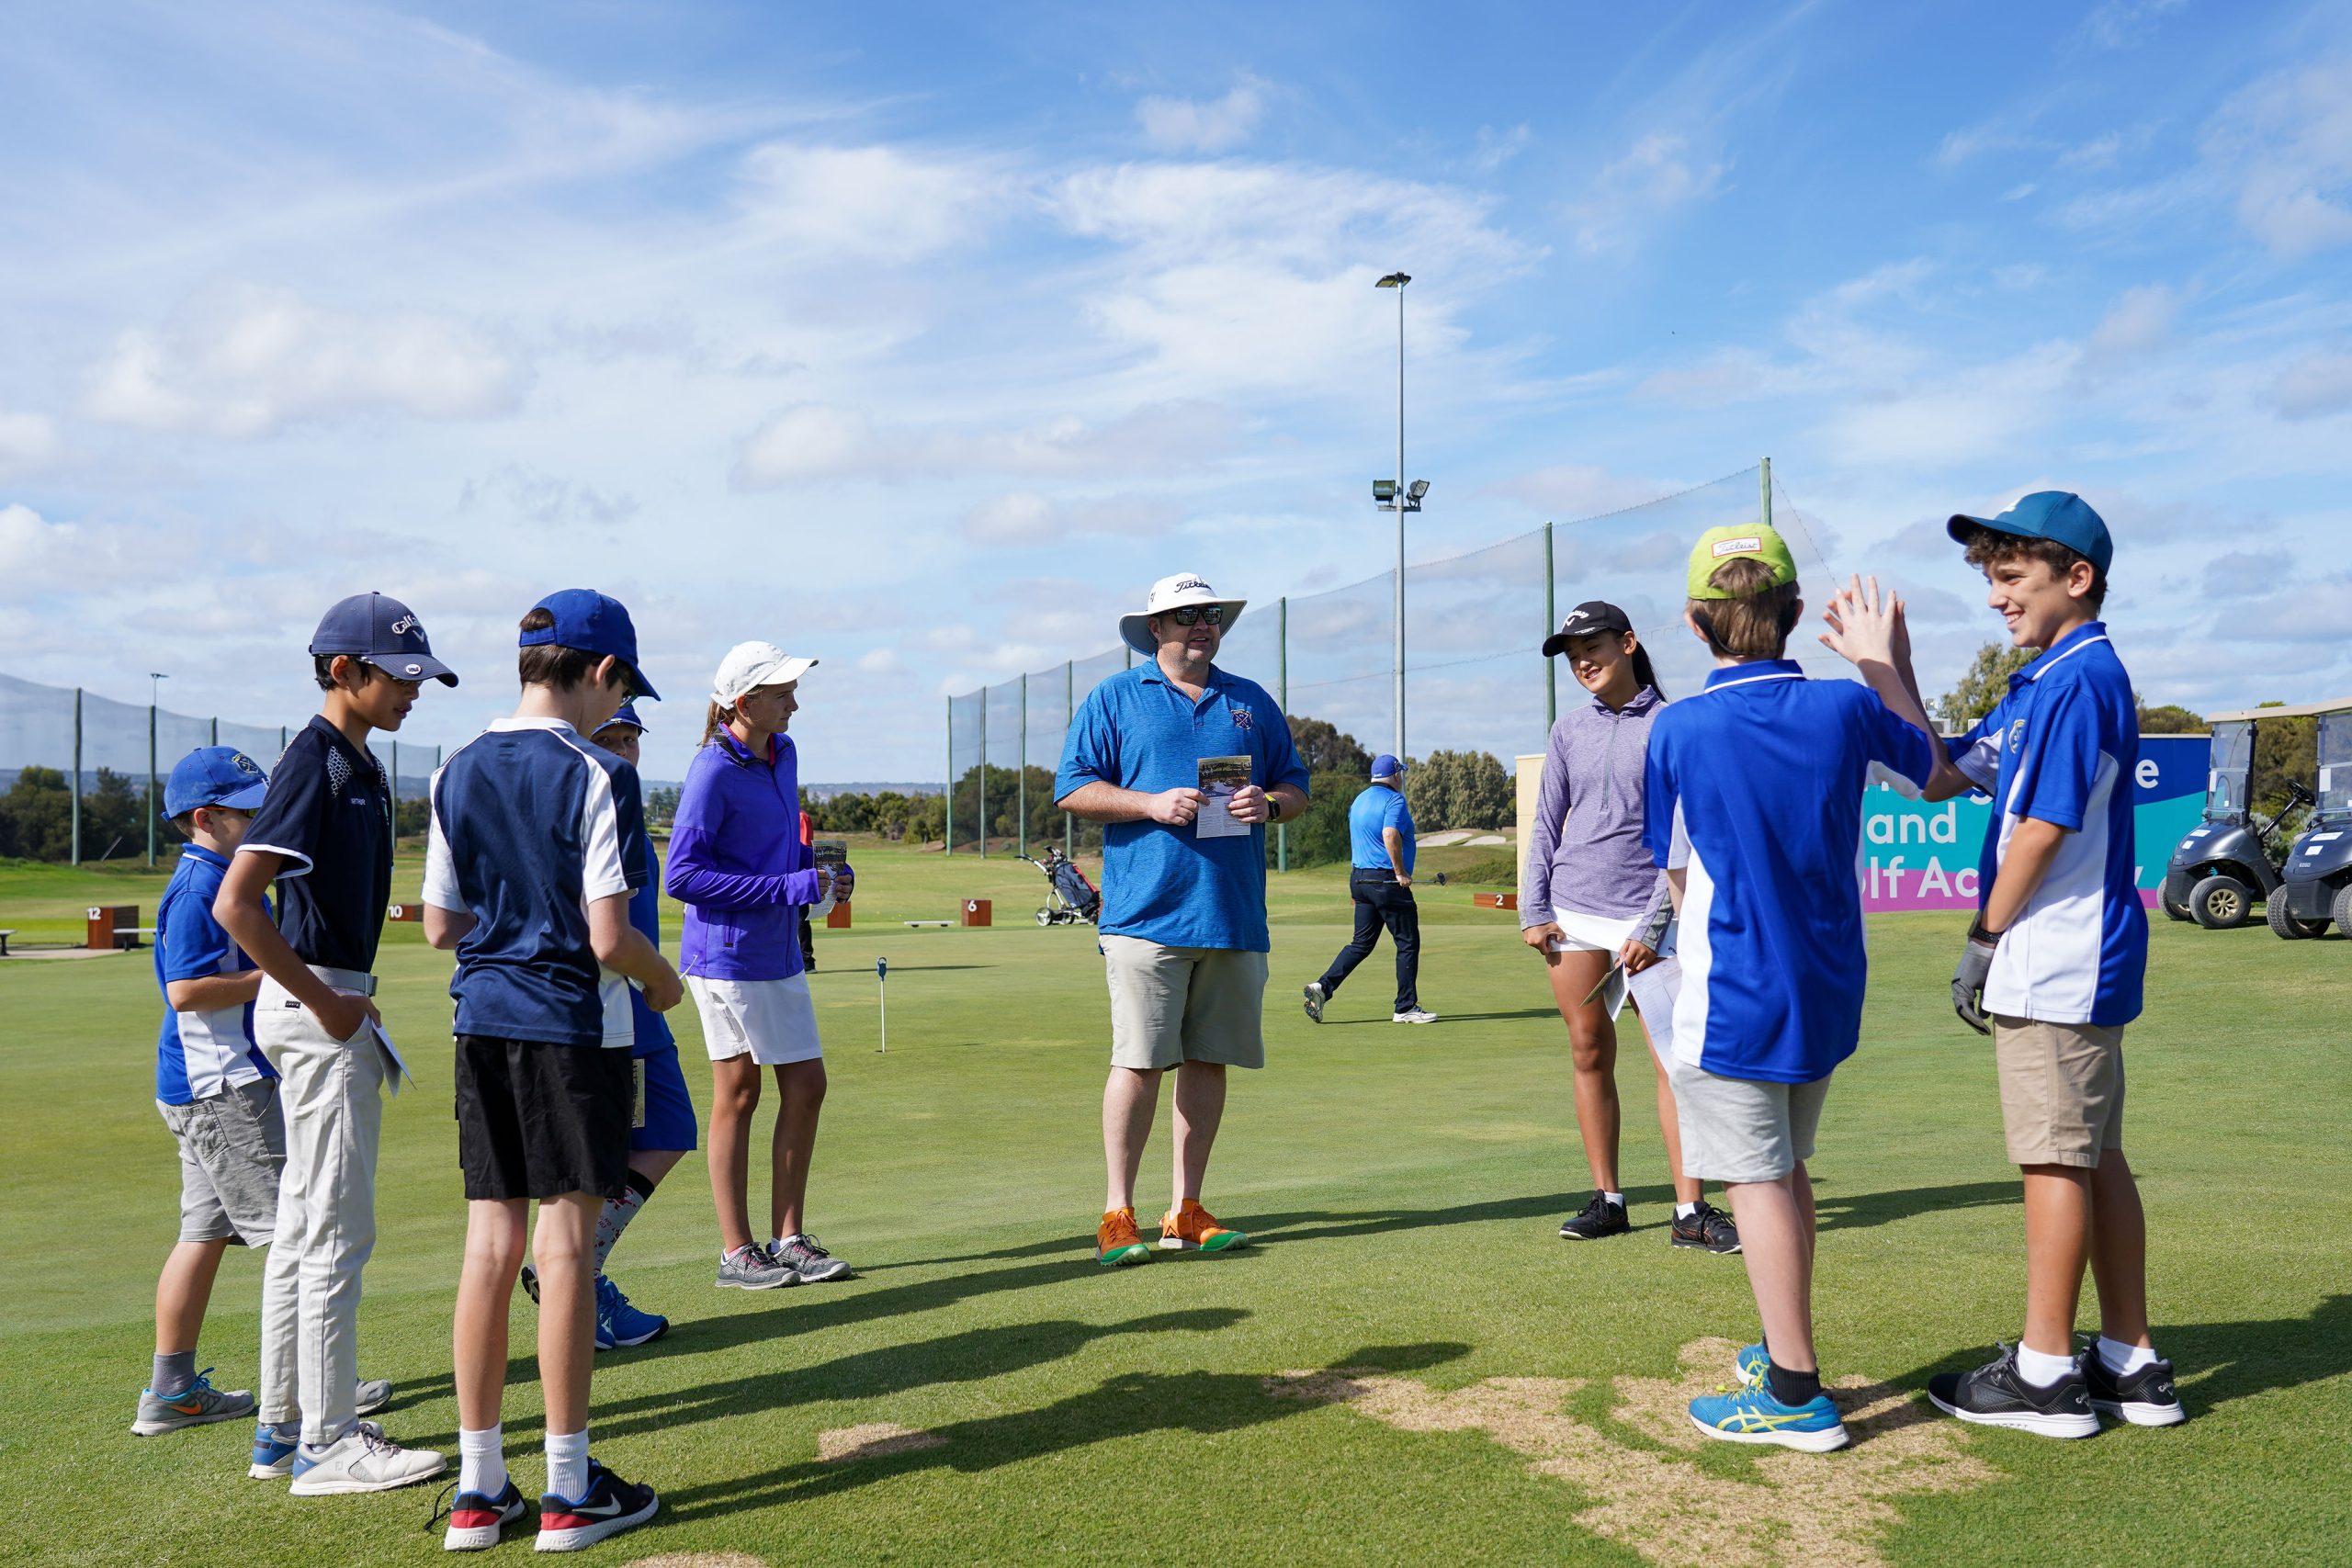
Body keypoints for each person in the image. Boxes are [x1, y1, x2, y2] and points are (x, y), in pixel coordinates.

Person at [1839, 493, 2177, 1435]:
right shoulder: (2048, 680)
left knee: (2052, 1161)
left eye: (2011, 577)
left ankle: (2042, 1375)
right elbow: (1940, 768)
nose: (1996, 597)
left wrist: (1984, 935)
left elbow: (2039, 827)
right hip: (2072, 957)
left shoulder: (2076, 679)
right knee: (2093, 1153)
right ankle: (2129, 1360)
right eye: (1990, 579)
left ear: (2077, 578)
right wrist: (1886, 664)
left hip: (2053, 957)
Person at [1646, 527, 1936, 1452]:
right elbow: (1933, 771)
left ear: (1695, 625)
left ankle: (1796, 1391)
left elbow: (1677, 866)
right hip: (1823, 986)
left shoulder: (1678, 727)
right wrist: (1885, 664)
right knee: (1785, 1170)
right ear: (1797, 616)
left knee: (1755, 1180)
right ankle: (1782, 1354)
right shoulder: (1847, 710)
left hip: (1733, 988)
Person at [422, 590, 682, 1551]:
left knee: (490, 1248)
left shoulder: (454, 767)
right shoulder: (597, 773)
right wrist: (666, 985)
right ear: (601, 672)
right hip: (575, 1031)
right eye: (620, 685)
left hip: (480, 1025)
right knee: (564, 1248)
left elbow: (443, 926)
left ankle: (480, 1490)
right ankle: (570, 1488)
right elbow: (611, 935)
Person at [214, 593, 451, 1495]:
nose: (413, 693)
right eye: (399, 677)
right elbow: (239, 903)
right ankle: (328, 1442)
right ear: (344, 672)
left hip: (331, 999)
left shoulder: (354, 762)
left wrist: (349, 996)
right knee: (338, 1231)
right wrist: (328, 1001)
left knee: (308, 1228)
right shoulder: (316, 761)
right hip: (316, 1010)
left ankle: (282, 1431)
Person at [131, 748, 391, 1443]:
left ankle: (171, 1388)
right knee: (297, 1233)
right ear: (204, 817)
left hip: (205, 1084)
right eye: (249, 810)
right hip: (225, 1086)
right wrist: (282, 975)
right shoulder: (199, 886)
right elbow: (184, 990)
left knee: (205, 1232)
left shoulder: (217, 872)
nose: (261, 818)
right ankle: (316, 1387)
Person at [1057, 572, 1310, 1267]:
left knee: (1208, 1060)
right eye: (1186, 615)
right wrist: (1147, 804)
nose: (1202, 624)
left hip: (1231, 913)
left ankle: (1186, 1208)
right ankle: (1117, 1213)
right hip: (1144, 914)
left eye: (1210, 614)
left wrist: (1274, 804)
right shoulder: (1113, 696)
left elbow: (1296, 785)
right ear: (1156, 629)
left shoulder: (1250, 700)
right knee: (1138, 1061)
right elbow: (1073, 788)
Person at [1521, 602, 1737, 1255]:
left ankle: (1690, 1208)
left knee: (1675, 1063)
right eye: (1572, 650)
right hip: (1575, 909)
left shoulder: (1674, 723)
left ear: (1629, 643)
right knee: (1588, 1052)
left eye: (1595, 645)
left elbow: (1686, 834)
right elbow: (1546, 821)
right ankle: (1609, 1199)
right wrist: (1534, 907)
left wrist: (1655, 920)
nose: (1583, 659)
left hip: (1650, 917)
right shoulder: (1567, 730)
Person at [667, 641, 855, 1292]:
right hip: (726, 956)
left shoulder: (785, 752)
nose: (794, 704)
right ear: (743, 704)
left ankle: (788, 1237)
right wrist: (787, 889)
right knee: (742, 1093)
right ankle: (737, 1250)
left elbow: (779, 851)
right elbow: (682, 875)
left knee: (804, 1085)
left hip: (773, 950)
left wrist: (822, 876)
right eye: (782, 695)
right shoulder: (710, 770)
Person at [516, 700, 695, 1351]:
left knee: (648, 1137)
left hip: (629, 1005)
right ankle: (574, 1275)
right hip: (617, 1008)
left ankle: (575, 1273)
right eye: (610, 737)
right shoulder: (590, 809)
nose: (624, 751)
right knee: (651, 1135)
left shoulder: (620, 810)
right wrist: (654, 978)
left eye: (631, 738)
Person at [1303, 754, 1434, 1025]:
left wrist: (1356, 886)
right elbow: (1389, 834)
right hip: (1386, 882)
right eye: (1401, 774)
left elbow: (1358, 839)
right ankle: (1405, 1007)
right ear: (1396, 775)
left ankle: (1323, 987)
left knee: (1361, 944)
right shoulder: (1394, 800)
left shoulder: (1359, 800)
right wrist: (1400, 872)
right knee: (1407, 943)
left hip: (1360, 879)